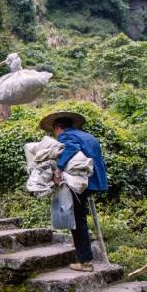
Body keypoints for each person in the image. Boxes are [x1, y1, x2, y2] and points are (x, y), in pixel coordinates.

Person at [39, 112, 108, 273]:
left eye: (54, 131)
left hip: (81, 182)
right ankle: (85, 255)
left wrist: (59, 169)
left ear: (57, 128)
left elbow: (71, 148)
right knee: (80, 216)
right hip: (93, 181)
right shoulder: (87, 136)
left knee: (77, 219)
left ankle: (85, 261)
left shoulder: (66, 137)